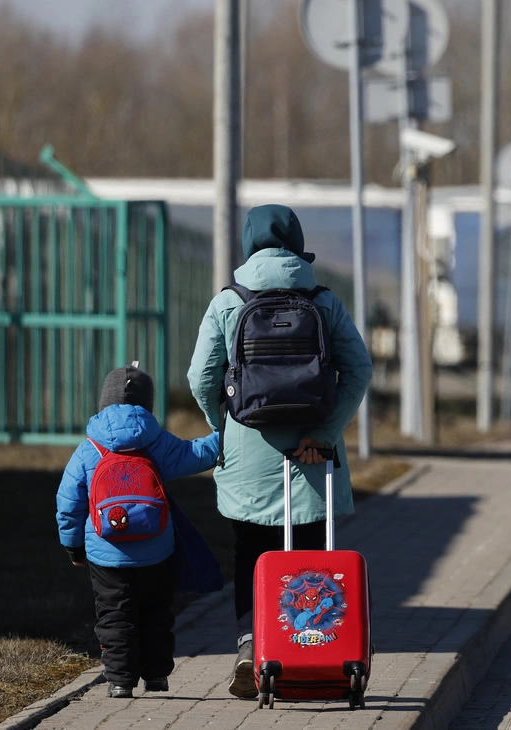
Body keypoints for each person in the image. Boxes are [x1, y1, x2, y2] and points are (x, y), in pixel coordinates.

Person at [187, 205, 372, 698]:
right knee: (310, 557)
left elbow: (200, 377)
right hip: (311, 454)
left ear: (249, 244)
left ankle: (251, 646)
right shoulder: (324, 301)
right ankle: (311, 652)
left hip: (248, 453)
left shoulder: (228, 302)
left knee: (251, 552)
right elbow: (358, 369)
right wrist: (324, 433)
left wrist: (222, 426)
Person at [55, 366, 221, 699]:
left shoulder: (89, 448)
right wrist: (227, 431)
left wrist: (74, 547)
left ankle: (120, 680)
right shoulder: (156, 442)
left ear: (103, 402)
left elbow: (68, 502)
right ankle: (156, 675)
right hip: (157, 547)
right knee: (156, 610)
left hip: (105, 551)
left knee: (115, 613)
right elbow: (198, 455)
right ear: (148, 404)